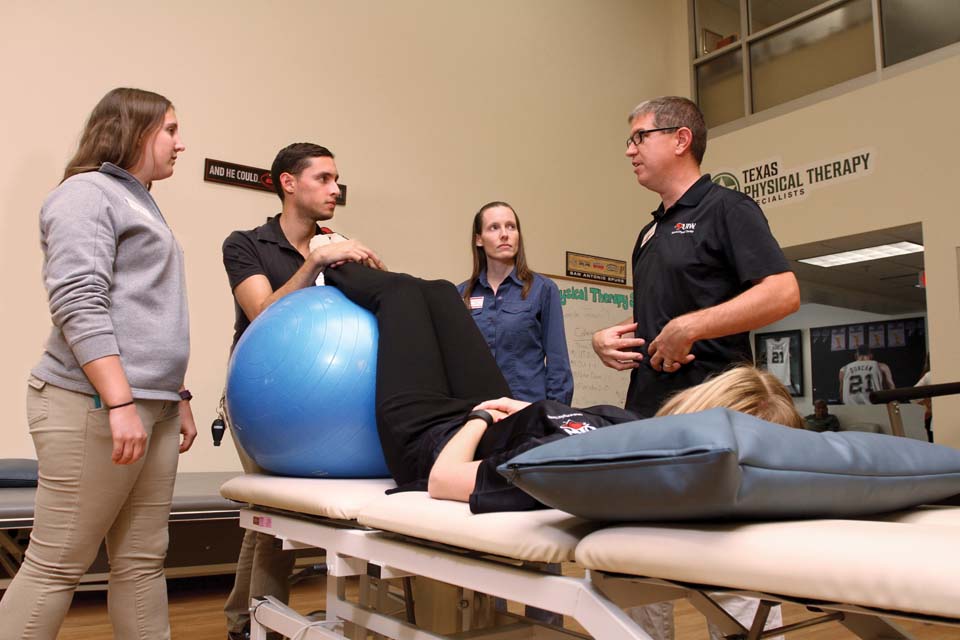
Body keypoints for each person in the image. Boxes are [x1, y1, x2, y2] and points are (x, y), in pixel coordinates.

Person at [321, 263, 802, 514]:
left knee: (402, 293)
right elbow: (567, 424)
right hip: (503, 414)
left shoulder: (588, 472)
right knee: (444, 292)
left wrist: (481, 419)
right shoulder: (639, 430)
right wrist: (529, 408)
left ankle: (329, 258)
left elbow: (444, 481)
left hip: (434, 437)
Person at [0, 88, 197, 640]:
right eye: (171, 130)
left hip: (149, 406)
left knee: (141, 560)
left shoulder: (138, 199)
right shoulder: (85, 194)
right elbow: (78, 302)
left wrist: (172, 396)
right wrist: (119, 400)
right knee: (58, 562)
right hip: (92, 404)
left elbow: (146, 313)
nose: (182, 144)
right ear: (134, 131)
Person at [220, 142, 384, 640]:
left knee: (269, 519)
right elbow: (262, 316)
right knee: (271, 518)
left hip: (336, 405)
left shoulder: (340, 242)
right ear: (288, 183)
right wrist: (314, 263)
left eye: (337, 181)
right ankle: (256, 626)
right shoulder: (245, 244)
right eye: (324, 179)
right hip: (264, 401)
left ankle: (242, 621)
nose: (335, 190)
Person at [592, 96, 800, 417]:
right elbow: (664, 314)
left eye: (640, 137)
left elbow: (783, 293)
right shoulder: (650, 231)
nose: (629, 150)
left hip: (711, 406)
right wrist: (611, 338)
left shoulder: (727, 208)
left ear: (681, 139)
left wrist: (690, 328)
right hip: (648, 408)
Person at [459, 201, 573, 404]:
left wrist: (554, 418)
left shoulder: (543, 289)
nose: (504, 234)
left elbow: (558, 365)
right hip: (478, 412)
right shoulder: (461, 295)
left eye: (511, 226)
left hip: (527, 413)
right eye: (494, 227)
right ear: (479, 239)